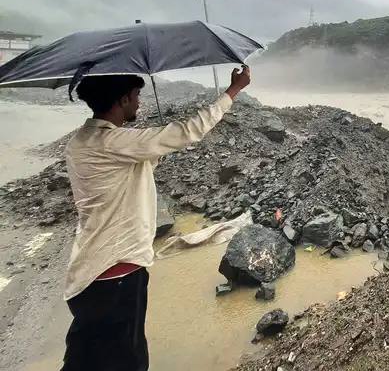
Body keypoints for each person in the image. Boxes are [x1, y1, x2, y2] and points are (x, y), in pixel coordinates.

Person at [60, 66, 251, 371]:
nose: (139, 103)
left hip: (87, 273)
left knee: (83, 360)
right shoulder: (115, 143)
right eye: (136, 96)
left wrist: (156, 150)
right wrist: (233, 91)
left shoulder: (82, 141)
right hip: (117, 273)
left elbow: (128, 171)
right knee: (127, 361)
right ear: (122, 99)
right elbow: (189, 130)